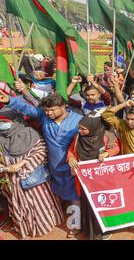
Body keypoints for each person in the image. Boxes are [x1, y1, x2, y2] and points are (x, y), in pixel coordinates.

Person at [0, 91, 83, 237]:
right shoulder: (44, 116)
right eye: (46, 110)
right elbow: (28, 109)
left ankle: (75, 225)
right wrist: (9, 101)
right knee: (59, 194)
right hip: (52, 166)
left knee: (74, 198)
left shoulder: (79, 120)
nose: (49, 113)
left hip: (72, 167)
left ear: (64, 106)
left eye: (52, 109)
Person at [0, 109, 64, 239]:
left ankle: (44, 226)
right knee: (20, 206)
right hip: (13, 181)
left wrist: (22, 164)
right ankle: (27, 229)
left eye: (4, 121)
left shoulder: (30, 133)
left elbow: (42, 151)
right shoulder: (1, 139)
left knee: (41, 205)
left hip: (34, 179)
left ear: (14, 121)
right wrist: (4, 166)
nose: (2, 124)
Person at [67, 117, 120, 240]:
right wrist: (71, 158)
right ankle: (89, 230)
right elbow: (71, 150)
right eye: (79, 128)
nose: (80, 131)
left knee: (102, 204)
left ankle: (104, 231)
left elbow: (116, 147)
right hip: (85, 180)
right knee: (88, 205)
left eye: (83, 129)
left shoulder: (107, 136)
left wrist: (107, 153)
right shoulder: (78, 137)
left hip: (102, 180)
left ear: (93, 127)